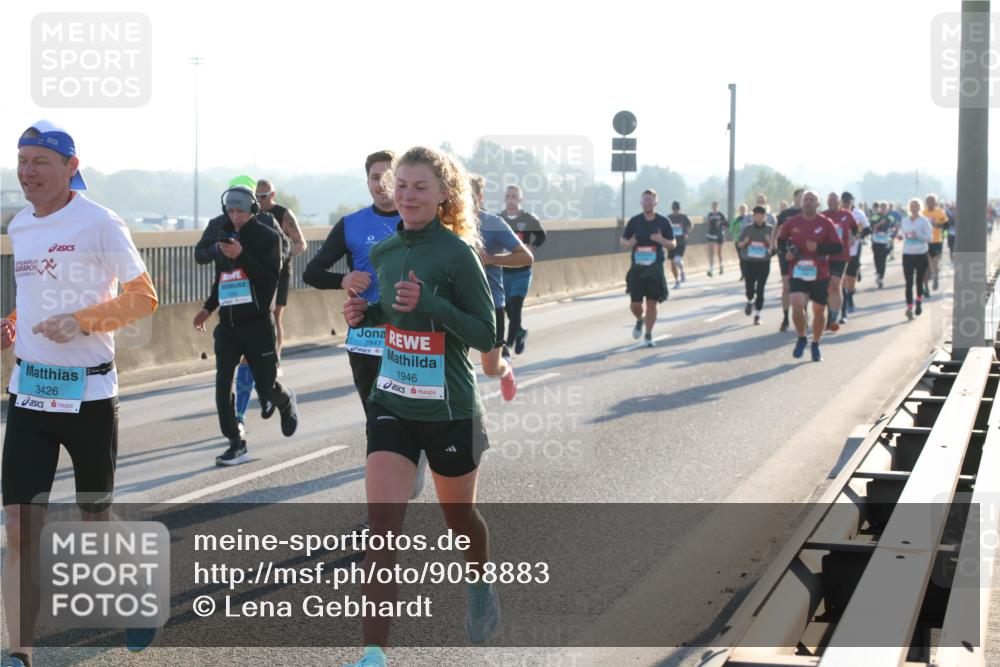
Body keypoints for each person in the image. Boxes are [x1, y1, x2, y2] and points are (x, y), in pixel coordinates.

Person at [2, 121, 159, 667]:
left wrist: (84, 321)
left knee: (95, 516)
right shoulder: (20, 225)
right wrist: (16, 323)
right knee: (20, 526)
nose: (28, 171)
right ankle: (20, 653)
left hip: (88, 395)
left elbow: (144, 298)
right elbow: (40, 294)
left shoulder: (99, 222)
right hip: (30, 393)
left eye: (41, 160)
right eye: (22, 159)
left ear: (71, 166)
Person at [341, 147, 499, 667]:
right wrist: (365, 312)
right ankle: (373, 655)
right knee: (381, 528)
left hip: (450, 408)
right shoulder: (385, 252)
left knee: (460, 519)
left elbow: (486, 333)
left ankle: (479, 581)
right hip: (393, 401)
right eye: (401, 186)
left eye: (419, 188)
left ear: (443, 195)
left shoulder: (457, 254)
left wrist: (430, 303)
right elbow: (391, 313)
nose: (407, 196)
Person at [303, 150, 430, 501]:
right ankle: (384, 505)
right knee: (377, 424)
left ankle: (411, 459)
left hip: (407, 339)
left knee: (405, 419)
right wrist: (343, 281)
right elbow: (311, 272)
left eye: (389, 177)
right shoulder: (352, 224)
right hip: (364, 341)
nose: (382, 183)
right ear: (368, 181)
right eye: (375, 177)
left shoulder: (417, 222)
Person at [192, 185, 300, 466]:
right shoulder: (223, 234)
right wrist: (207, 308)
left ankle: (286, 401)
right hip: (227, 327)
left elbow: (268, 279)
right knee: (221, 387)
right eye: (230, 211)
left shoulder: (268, 237)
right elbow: (223, 279)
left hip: (257, 325)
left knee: (266, 388)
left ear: (252, 209)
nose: (235, 216)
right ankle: (235, 442)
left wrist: (241, 254)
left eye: (240, 210)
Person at [469, 174, 533, 400]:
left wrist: (492, 259)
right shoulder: (445, 224)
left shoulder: (493, 224)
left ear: (480, 197)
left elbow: (526, 258)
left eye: (470, 194)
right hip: (456, 303)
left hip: (490, 304)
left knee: (489, 368)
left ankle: (506, 369)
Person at [776, 191, 843, 362]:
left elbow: (837, 247)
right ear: (801, 203)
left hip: (819, 273)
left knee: (819, 310)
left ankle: (816, 343)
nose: (808, 202)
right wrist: (787, 253)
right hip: (797, 270)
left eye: (812, 200)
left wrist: (819, 249)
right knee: (797, 304)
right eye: (806, 199)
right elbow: (781, 240)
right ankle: (801, 337)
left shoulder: (826, 223)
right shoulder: (792, 222)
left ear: (818, 204)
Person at [255, 179, 306, 362]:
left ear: (272, 195)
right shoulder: (253, 213)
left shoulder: (283, 214)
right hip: (259, 271)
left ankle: (275, 359)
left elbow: (301, 244)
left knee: (275, 315)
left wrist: (282, 257)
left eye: (263, 196)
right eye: (257, 196)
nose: (260, 200)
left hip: (281, 271)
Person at [622, 189, 676, 347]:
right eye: (645, 199)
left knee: (652, 304)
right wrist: (629, 243)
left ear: (656, 202)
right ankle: (640, 319)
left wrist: (661, 240)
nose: (647, 202)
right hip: (637, 269)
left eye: (650, 199)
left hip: (655, 269)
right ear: (641, 202)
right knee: (635, 305)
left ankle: (648, 335)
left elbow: (673, 244)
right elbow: (623, 240)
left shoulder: (663, 222)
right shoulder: (634, 221)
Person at [499, 185, 545, 355]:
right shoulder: (500, 219)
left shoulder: (527, 219)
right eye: (508, 196)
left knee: (516, 307)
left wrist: (532, 247)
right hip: (504, 271)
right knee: (507, 308)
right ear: (505, 199)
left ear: (520, 200)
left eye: (514, 197)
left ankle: (507, 346)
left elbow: (542, 236)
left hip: (522, 271)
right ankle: (520, 332)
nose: (511, 200)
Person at [821, 191, 859, 330]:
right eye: (830, 201)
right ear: (827, 202)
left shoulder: (847, 214)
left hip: (841, 255)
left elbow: (855, 229)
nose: (832, 203)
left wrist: (853, 238)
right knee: (826, 287)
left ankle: (833, 317)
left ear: (839, 202)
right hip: (825, 255)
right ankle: (829, 313)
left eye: (834, 201)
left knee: (836, 284)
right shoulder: (822, 215)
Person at [737, 206, 774, 325]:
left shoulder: (770, 229)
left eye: (761, 215)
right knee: (750, 288)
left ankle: (757, 315)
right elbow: (739, 244)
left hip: (763, 262)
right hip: (749, 262)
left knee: (761, 289)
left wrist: (770, 243)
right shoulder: (748, 228)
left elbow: (776, 248)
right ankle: (749, 300)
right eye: (756, 215)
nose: (759, 217)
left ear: (765, 216)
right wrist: (745, 242)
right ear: (753, 216)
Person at [773, 189, 803, 332]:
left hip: (803, 254)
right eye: (800, 196)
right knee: (786, 285)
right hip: (785, 252)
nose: (803, 199)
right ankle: (785, 318)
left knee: (802, 286)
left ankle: (803, 313)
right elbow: (776, 227)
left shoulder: (810, 214)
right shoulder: (786, 214)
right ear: (795, 198)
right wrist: (773, 244)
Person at [899, 198, 933, 321]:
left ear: (920, 208)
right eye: (912, 206)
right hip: (907, 254)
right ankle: (909, 308)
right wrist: (900, 236)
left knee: (919, 281)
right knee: (908, 282)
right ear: (909, 208)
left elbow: (929, 238)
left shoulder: (924, 221)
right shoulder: (904, 220)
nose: (914, 208)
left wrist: (918, 236)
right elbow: (901, 234)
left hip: (921, 254)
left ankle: (918, 301)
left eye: (916, 206)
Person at [841, 191, 870, 321]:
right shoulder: (837, 213)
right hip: (840, 251)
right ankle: (844, 300)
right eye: (844, 201)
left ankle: (850, 296)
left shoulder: (858, 214)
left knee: (851, 276)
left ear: (852, 201)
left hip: (854, 249)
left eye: (848, 201)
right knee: (843, 277)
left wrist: (857, 236)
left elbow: (867, 229)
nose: (846, 203)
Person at [922, 193, 949, 294]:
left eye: (932, 201)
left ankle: (936, 278)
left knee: (935, 263)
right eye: (928, 201)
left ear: (935, 202)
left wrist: (939, 225)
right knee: (925, 265)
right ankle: (925, 287)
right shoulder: (922, 213)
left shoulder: (940, 212)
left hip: (937, 241)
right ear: (926, 202)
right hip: (925, 242)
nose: (930, 203)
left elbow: (946, 225)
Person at [667, 201, 693, 287]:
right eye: (674, 209)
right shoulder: (668, 218)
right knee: (672, 264)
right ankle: (677, 280)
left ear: (679, 209)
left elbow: (691, 225)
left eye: (677, 209)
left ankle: (682, 271)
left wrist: (687, 234)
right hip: (671, 242)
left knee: (677, 260)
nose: (675, 211)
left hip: (681, 241)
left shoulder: (684, 217)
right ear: (672, 209)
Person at [869, 200, 892, 288]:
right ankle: (878, 273)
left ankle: (881, 277)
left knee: (883, 259)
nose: (883, 209)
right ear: (879, 208)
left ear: (887, 208)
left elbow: (893, 228)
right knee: (876, 258)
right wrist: (879, 223)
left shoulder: (890, 217)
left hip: (885, 241)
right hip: (876, 240)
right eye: (882, 207)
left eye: (885, 207)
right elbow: (872, 227)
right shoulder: (874, 216)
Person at [704, 200, 727, 276]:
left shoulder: (721, 214)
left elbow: (726, 223)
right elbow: (708, 223)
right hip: (711, 234)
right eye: (713, 205)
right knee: (711, 252)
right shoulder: (710, 214)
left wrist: (720, 223)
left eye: (715, 205)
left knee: (718, 252)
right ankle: (711, 269)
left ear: (718, 206)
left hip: (719, 234)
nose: (714, 207)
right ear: (711, 206)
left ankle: (721, 266)